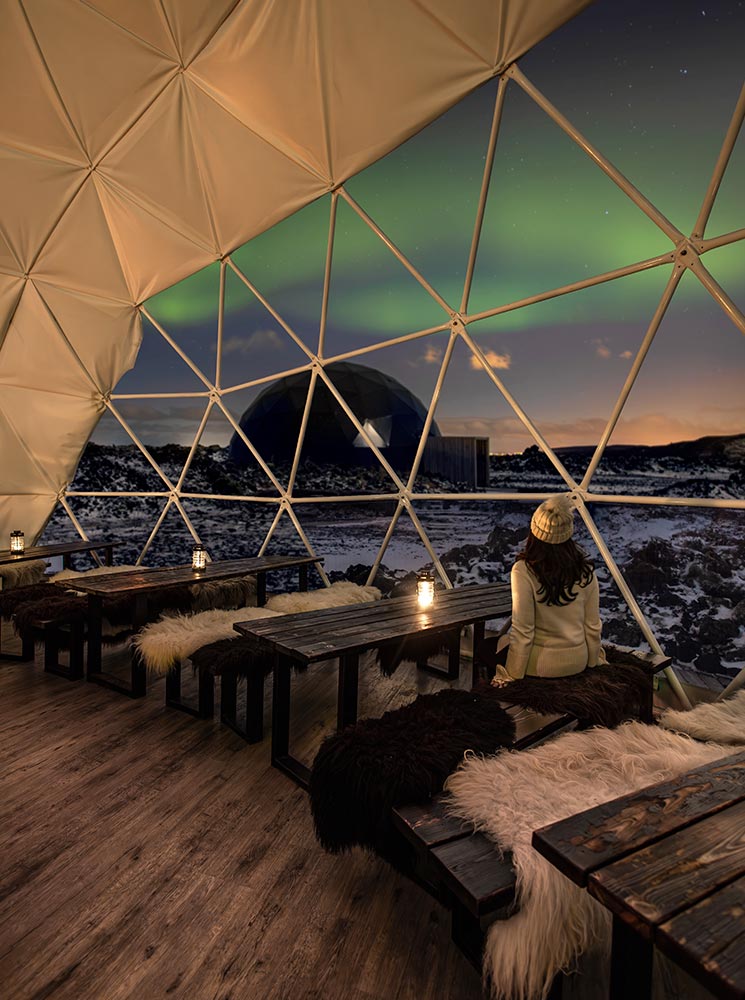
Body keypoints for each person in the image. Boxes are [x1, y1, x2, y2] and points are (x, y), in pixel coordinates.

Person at [488, 495, 607, 686]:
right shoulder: (585, 570)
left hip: (541, 665)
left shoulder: (524, 570)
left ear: (534, 532)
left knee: (490, 647)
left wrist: (512, 675)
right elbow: (592, 625)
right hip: (578, 661)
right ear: (568, 533)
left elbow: (523, 630)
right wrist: (593, 663)